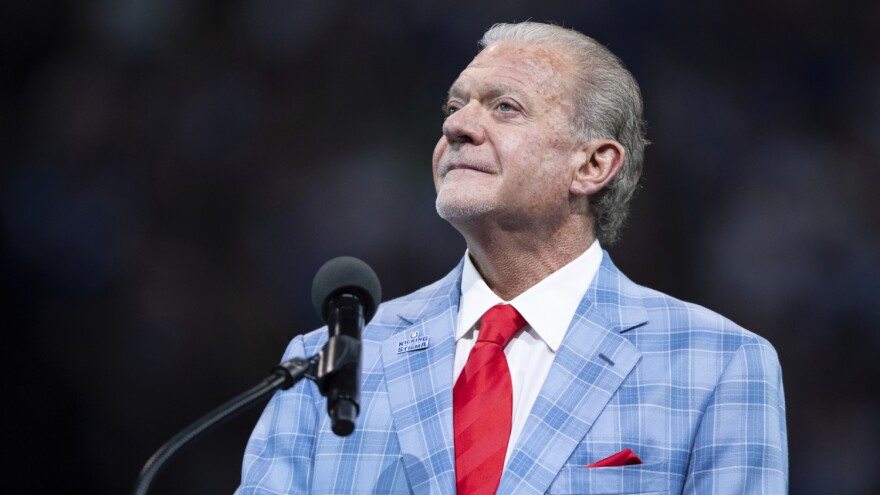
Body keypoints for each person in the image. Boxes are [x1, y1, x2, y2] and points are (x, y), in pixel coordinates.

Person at [237, 21, 788, 494]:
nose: (456, 126)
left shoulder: (718, 364)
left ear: (592, 165)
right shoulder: (329, 363)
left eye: (505, 107)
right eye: (455, 106)